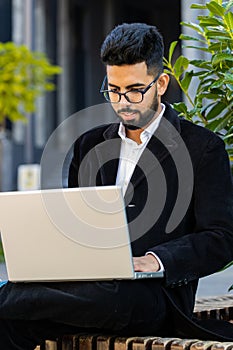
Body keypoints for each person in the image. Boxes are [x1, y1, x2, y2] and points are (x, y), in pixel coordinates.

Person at [0, 22, 233, 349]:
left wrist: (155, 260)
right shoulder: (89, 146)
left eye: (135, 89)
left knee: (43, 298)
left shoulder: (202, 148)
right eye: (113, 90)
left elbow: (221, 238)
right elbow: (74, 226)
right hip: (87, 290)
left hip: (154, 296)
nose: (123, 102)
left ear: (161, 83)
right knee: (13, 311)